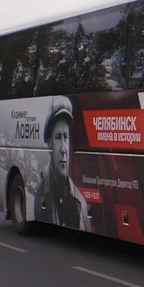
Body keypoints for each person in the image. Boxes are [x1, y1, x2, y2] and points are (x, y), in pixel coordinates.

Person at [35, 98, 90, 231]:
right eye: (58, 138)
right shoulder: (40, 195)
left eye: (66, 137)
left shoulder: (80, 204)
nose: (63, 149)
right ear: (49, 143)